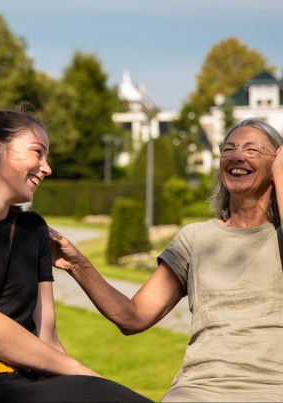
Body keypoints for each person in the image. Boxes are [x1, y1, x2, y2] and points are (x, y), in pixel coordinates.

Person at [0, 107, 151, 402]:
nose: (46, 168)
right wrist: (81, 371)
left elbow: (48, 339)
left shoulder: (34, 230)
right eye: (37, 152)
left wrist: (92, 388)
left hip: (24, 383)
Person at [50, 118, 283, 402]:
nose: (236, 156)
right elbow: (133, 317)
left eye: (252, 150)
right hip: (199, 389)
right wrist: (77, 264)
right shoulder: (194, 239)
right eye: (229, 149)